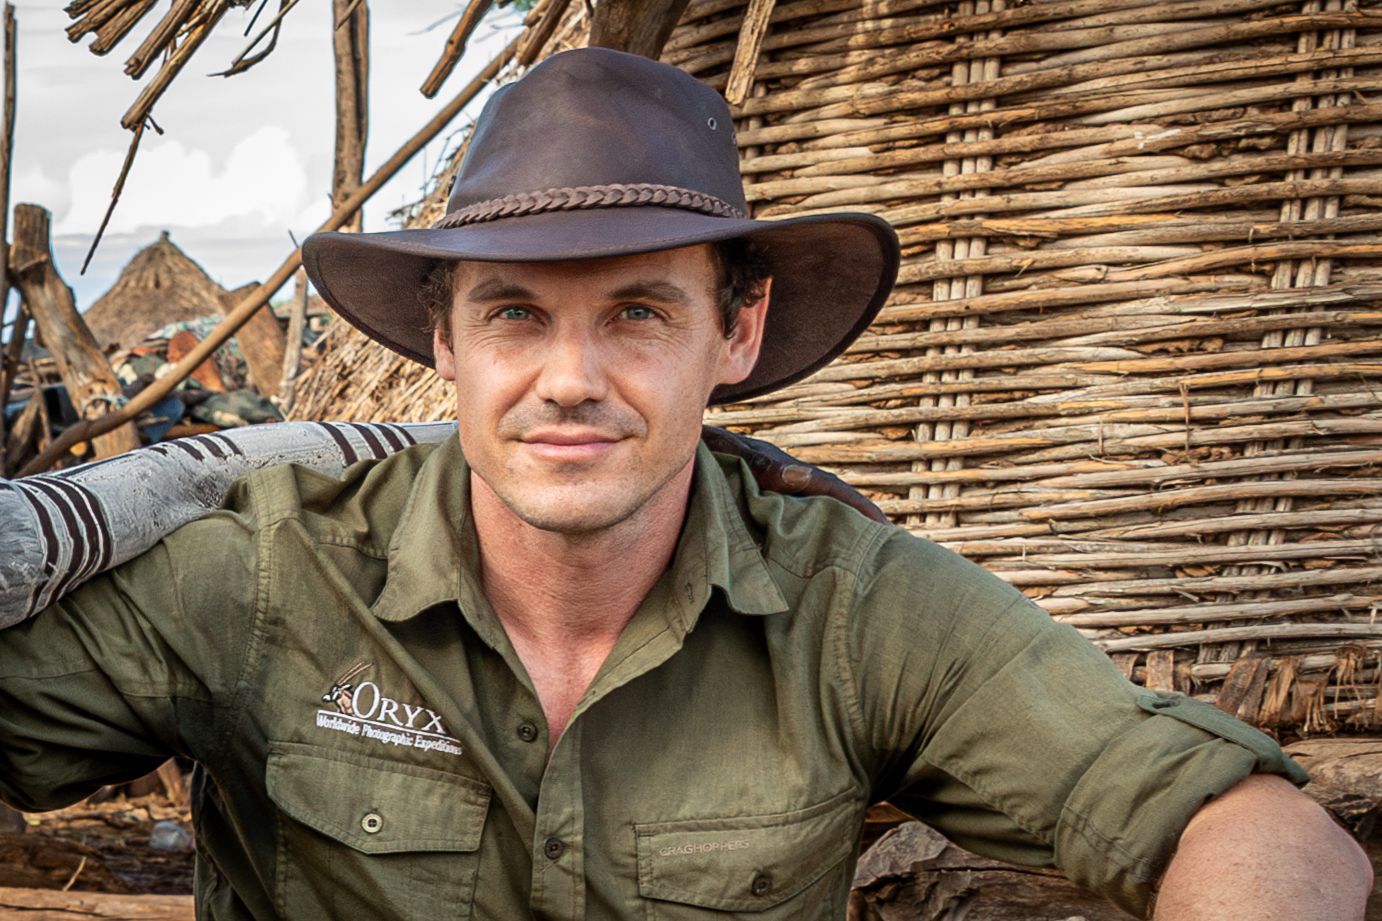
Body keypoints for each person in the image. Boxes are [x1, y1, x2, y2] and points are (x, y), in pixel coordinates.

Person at [0, 48, 1370, 921]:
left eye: (640, 314)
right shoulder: (261, 575)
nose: (572, 377)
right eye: (518, 316)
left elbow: (1252, 827)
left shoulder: (850, 605)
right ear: (445, 341)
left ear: (738, 333)